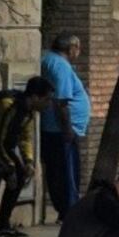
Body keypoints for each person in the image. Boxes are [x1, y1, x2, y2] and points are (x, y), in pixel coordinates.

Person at [0, 77, 54, 237]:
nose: (48, 105)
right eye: (46, 99)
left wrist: (28, 161)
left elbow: (26, 137)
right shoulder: (7, 105)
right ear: (35, 97)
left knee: (20, 175)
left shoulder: (29, 112)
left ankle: (2, 224)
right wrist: (9, 167)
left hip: (3, 145)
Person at [40, 33, 91, 224]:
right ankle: (68, 211)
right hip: (60, 130)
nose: (78, 52)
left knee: (60, 171)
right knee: (66, 173)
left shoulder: (50, 60)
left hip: (56, 128)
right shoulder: (60, 66)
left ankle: (66, 209)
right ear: (71, 49)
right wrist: (67, 128)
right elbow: (62, 101)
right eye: (78, 48)